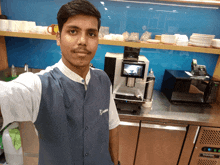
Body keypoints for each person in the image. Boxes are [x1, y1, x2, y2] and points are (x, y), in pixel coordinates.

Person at [0, 0, 121, 164]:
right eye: (73, 31)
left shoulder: (103, 80)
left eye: (91, 33)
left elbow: (112, 126)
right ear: (58, 37)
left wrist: (116, 162)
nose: (83, 41)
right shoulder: (39, 86)